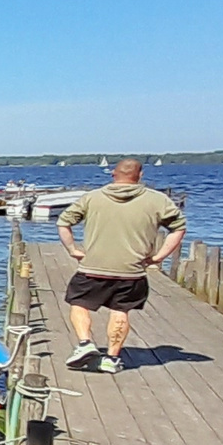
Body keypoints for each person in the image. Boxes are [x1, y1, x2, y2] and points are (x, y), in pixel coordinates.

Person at [57, 158, 186, 373]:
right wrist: (158, 256)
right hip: (132, 272)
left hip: (92, 268)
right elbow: (179, 228)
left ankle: (85, 343)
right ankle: (111, 358)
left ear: (113, 174)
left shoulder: (92, 198)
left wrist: (73, 250)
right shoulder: (157, 200)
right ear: (140, 175)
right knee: (120, 311)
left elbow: (63, 222)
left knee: (79, 303)